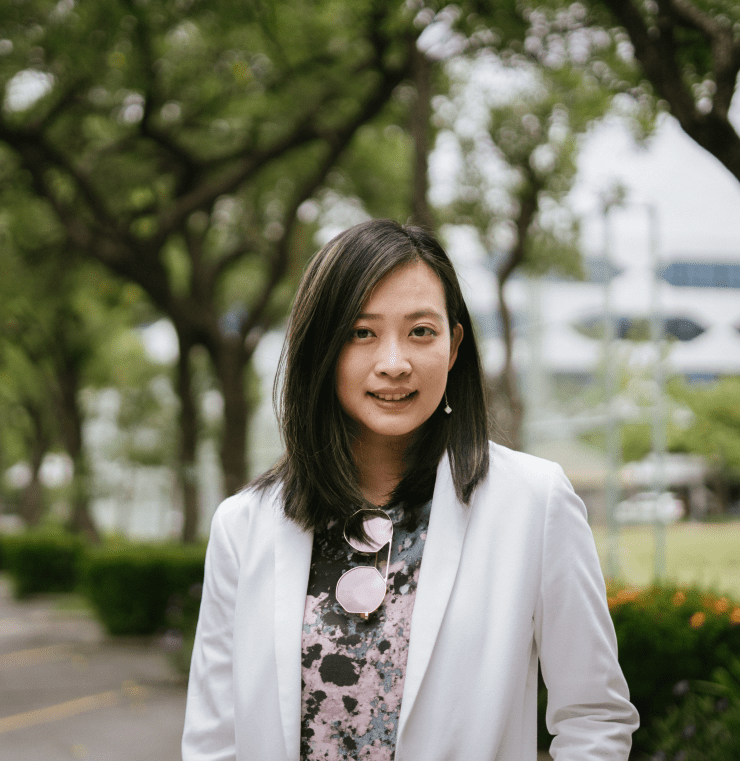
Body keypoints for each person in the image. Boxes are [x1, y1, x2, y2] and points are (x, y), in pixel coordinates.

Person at [182, 218, 638, 761]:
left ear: (453, 346)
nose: (393, 363)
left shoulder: (534, 504)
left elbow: (593, 716)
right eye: (361, 332)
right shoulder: (245, 524)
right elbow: (215, 742)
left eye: (421, 331)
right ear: (320, 349)